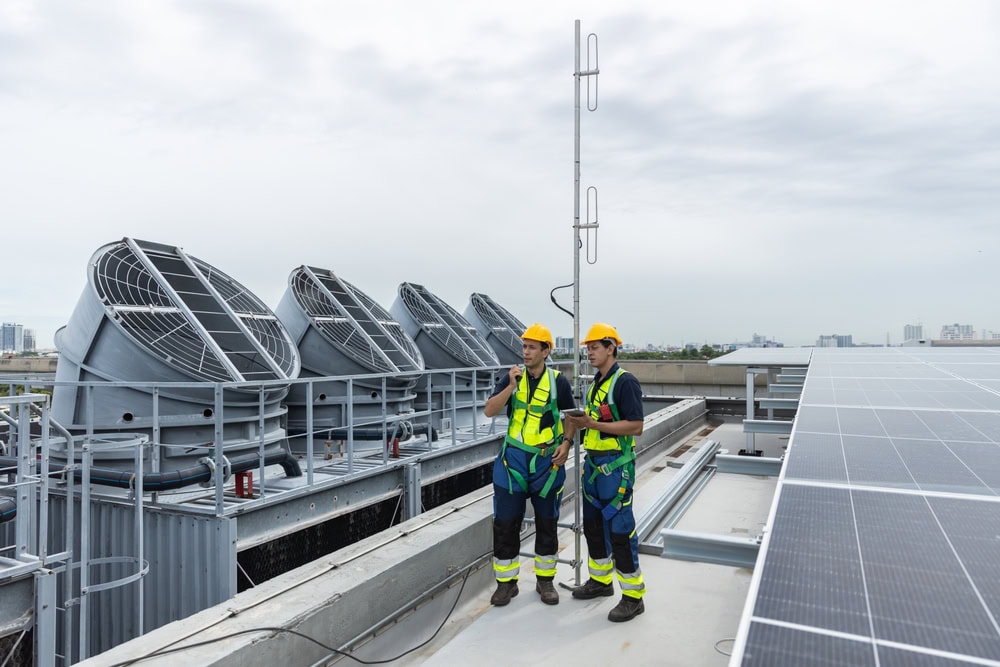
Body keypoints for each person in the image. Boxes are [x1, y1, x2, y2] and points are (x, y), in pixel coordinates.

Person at [484, 323, 577, 607]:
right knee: (505, 524)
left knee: (547, 522)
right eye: (524, 346)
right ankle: (506, 584)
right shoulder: (511, 378)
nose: (525, 352)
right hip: (512, 461)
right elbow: (489, 410)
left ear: (545, 351)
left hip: (545, 462)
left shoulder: (558, 381)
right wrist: (511, 386)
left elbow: (571, 416)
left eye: (532, 347)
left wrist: (567, 443)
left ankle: (545, 581)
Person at [564, 323, 646, 622]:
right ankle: (600, 582)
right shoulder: (598, 382)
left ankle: (633, 597)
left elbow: (636, 426)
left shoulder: (625, 382)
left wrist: (593, 425)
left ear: (611, 347)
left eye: (594, 347)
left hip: (615, 469)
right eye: (588, 348)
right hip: (595, 468)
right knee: (594, 528)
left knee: (621, 532)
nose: (589, 353)